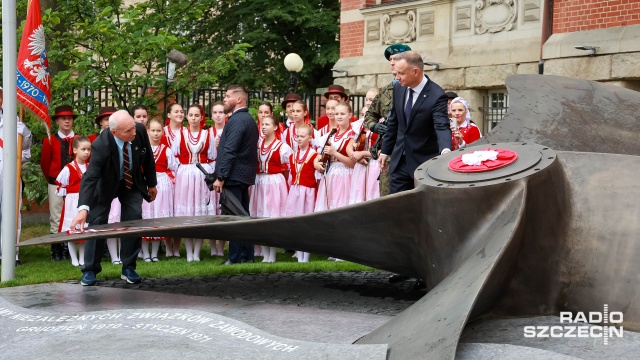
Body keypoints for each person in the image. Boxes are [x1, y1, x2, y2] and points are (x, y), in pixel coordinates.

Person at [70, 110, 157, 286]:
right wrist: (83, 209)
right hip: (107, 184)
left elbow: (147, 159)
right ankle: (90, 270)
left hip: (131, 182)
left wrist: (152, 184)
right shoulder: (101, 145)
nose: (133, 132)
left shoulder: (139, 130)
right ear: (114, 132)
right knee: (98, 222)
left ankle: (128, 268)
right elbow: (91, 177)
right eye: (128, 131)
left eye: (133, 127)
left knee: (133, 220)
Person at [378, 51, 452, 194]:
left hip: (422, 163)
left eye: (401, 73)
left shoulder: (436, 95)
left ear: (415, 71)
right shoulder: (399, 88)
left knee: (419, 209)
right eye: (396, 73)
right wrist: (385, 151)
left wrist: (445, 151)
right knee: (397, 206)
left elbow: (441, 125)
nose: (397, 77)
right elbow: (394, 122)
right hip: (399, 161)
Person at [212, 85, 259, 265]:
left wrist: (221, 176)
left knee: (234, 218)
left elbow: (230, 150)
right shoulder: (246, 119)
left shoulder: (238, 120)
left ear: (238, 99)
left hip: (233, 176)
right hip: (242, 176)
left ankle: (235, 257)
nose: (224, 99)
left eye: (227, 96)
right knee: (243, 216)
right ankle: (247, 256)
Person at [171, 104, 216, 262]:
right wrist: (182, 171)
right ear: (187, 117)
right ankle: (189, 252)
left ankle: (196, 253)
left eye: (197, 115)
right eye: (191, 115)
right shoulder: (181, 134)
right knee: (187, 215)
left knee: (200, 213)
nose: (194, 118)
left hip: (202, 174)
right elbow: (174, 155)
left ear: (201, 117)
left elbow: (212, 156)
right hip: (186, 176)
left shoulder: (207, 134)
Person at [366, 43, 411, 197]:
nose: (392, 62)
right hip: (389, 152)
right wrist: (375, 127)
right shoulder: (386, 91)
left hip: (412, 152)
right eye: (390, 59)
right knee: (388, 196)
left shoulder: (416, 88)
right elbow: (369, 115)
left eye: (396, 59)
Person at [249, 115, 292, 263]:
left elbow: (291, 166)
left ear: (275, 127)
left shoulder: (282, 147)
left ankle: (272, 254)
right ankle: (264, 253)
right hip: (260, 181)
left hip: (274, 182)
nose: (264, 126)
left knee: (271, 217)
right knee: (260, 217)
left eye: (267, 124)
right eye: (262, 124)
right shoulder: (257, 145)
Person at [41, 105, 78, 261]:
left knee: (74, 215)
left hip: (75, 184)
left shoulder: (78, 140)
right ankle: (56, 250)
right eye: (63, 118)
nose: (67, 121)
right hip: (55, 183)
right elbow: (45, 163)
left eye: (69, 118)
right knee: (56, 216)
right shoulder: (49, 140)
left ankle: (70, 248)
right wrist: (52, 179)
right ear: (57, 121)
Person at [0, 87, 32, 266]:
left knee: (12, 212)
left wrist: (25, 132)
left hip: (10, 172)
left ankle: (11, 253)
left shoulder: (14, 121)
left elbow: (25, 152)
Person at [142, 118, 178, 262]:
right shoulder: (144, 150)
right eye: (153, 130)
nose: (156, 134)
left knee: (157, 217)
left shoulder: (166, 150)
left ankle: (155, 253)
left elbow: (174, 167)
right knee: (145, 217)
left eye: (158, 131)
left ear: (163, 132)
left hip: (162, 185)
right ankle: (145, 253)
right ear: (147, 131)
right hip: (146, 184)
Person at [56, 136, 91, 267]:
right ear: (75, 150)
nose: (87, 152)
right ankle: (73, 258)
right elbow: (62, 186)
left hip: (85, 201)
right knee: (72, 230)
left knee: (83, 230)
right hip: (72, 201)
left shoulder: (90, 167)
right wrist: (69, 199)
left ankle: (82, 257)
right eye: (83, 149)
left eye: (89, 149)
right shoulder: (68, 168)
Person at [314, 102, 356, 212]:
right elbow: (319, 154)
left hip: (347, 175)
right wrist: (317, 163)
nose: (339, 116)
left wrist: (334, 153)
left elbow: (353, 163)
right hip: (332, 174)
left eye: (342, 114)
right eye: (337, 114)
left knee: (343, 207)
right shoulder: (331, 134)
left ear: (350, 115)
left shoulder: (353, 135)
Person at [284, 124, 317, 263]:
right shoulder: (292, 156)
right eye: (297, 136)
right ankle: (299, 254)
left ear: (310, 137)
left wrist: (320, 166)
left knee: (307, 223)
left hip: (308, 191)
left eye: (303, 136)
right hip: (296, 191)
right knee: (296, 222)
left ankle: (306, 256)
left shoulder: (314, 155)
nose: (299, 138)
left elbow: (318, 169)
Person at [94, 106, 122, 264]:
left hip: (118, 185)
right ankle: (100, 251)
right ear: (101, 123)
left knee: (117, 219)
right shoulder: (94, 140)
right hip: (101, 185)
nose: (110, 123)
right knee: (101, 219)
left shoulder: (123, 138)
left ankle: (117, 255)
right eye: (106, 120)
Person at [348, 105, 380, 204]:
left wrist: (362, 153)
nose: (365, 117)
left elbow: (381, 150)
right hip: (361, 164)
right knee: (359, 195)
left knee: (372, 194)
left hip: (375, 163)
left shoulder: (381, 124)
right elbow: (349, 147)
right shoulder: (360, 126)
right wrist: (355, 156)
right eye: (363, 115)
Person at [208, 102, 227, 257]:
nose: (218, 115)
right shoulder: (207, 133)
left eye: (221, 112)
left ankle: (221, 247)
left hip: (225, 171)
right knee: (212, 211)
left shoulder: (229, 130)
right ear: (211, 115)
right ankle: (213, 247)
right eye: (215, 112)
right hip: (212, 169)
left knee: (223, 210)